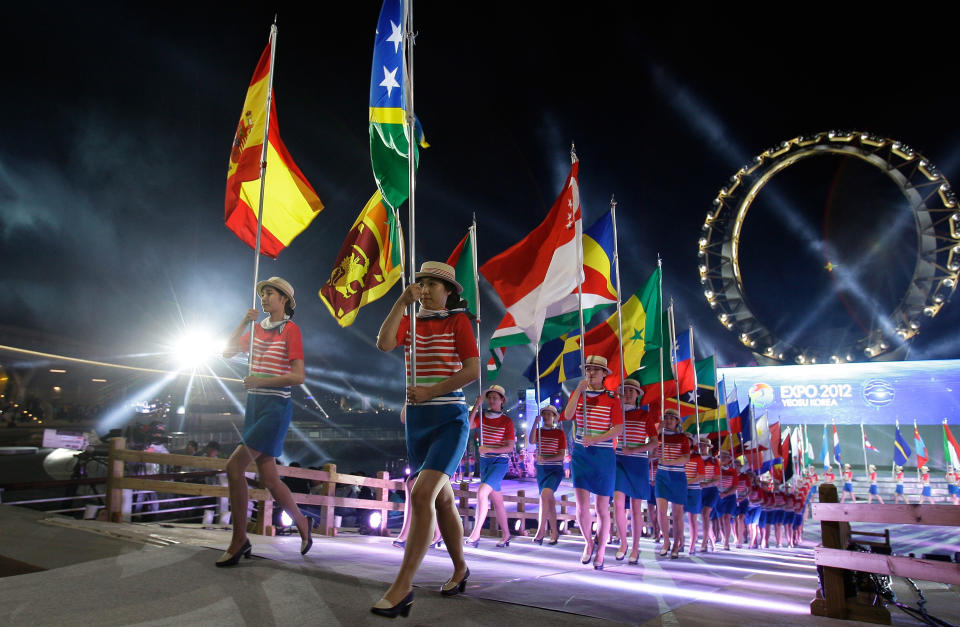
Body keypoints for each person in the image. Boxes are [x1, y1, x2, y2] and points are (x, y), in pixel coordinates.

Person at [373, 261, 480, 617]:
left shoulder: (457, 321)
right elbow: (384, 343)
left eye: (436, 284)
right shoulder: (410, 321)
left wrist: (431, 391)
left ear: (448, 292)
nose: (428, 288)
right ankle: (461, 567)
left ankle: (402, 587)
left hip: (449, 418)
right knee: (443, 502)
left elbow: (472, 370)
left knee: (421, 494)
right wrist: (400, 303)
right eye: (423, 282)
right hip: (417, 421)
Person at [217, 277, 312, 567]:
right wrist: (243, 323)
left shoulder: (290, 330)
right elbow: (227, 352)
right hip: (254, 403)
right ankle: (303, 524)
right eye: (263, 293)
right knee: (269, 478)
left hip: (275, 405)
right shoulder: (257, 330)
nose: (265, 297)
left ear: (284, 299)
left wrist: (262, 380)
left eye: (270, 293)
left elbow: (298, 377)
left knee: (234, 467)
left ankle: (239, 540)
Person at [560, 355, 624, 570]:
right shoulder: (580, 395)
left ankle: (602, 550)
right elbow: (568, 416)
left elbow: (618, 428)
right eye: (588, 369)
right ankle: (588, 543)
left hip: (604, 455)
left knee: (602, 508)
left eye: (596, 369)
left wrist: (595, 439)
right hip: (581, 454)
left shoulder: (612, 398)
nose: (591, 373)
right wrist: (577, 390)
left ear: (605, 374)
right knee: (581, 506)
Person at [613, 378, 658, 564]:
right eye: (625, 390)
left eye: (632, 391)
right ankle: (623, 542)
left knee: (636, 508)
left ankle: (635, 547)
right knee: (617, 504)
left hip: (637, 463)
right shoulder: (614, 415)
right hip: (618, 461)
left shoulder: (644, 415)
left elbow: (655, 442)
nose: (628, 393)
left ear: (638, 395)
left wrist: (635, 450)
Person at [465, 385, 516, 548]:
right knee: (497, 500)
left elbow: (509, 448)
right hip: (485, 462)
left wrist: (490, 449)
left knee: (481, 492)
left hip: (499, 462)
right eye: (490, 397)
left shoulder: (507, 421)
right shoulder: (482, 417)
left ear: (502, 401)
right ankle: (507, 535)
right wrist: (476, 406)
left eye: (496, 397)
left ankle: (476, 533)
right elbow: (467, 425)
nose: (492, 400)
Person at [528, 404, 567, 545]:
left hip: (554, 470)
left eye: (549, 414)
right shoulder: (538, 432)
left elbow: (561, 455)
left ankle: (541, 531)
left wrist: (546, 458)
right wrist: (534, 423)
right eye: (544, 414)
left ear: (554, 417)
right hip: (542, 471)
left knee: (544, 495)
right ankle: (555, 533)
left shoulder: (559, 433)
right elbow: (531, 441)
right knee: (549, 502)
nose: (546, 417)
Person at [656, 409, 690, 559]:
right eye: (666, 417)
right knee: (661, 511)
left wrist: (670, 462)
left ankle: (677, 543)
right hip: (661, 475)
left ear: (677, 421)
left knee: (677, 514)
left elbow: (685, 458)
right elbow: (651, 453)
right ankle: (665, 541)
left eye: (672, 418)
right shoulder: (659, 436)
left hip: (677, 477)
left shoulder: (682, 438)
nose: (669, 420)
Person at [683, 432, 706, 555]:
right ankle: (679, 542)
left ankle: (692, 545)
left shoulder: (697, 457)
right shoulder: (679, 455)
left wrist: (688, 482)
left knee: (692, 519)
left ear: (692, 443)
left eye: (689, 440)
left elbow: (702, 476)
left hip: (694, 490)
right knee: (677, 517)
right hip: (681, 490)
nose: (686, 442)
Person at [698, 439, 720, 551]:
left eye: (704, 445)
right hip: (698, 491)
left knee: (705, 513)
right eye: (700, 445)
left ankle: (704, 542)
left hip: (711, 490)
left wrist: (706, 484)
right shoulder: (695, 459)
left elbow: (717, 478)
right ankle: (711, 538)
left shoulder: (714, 460)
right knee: (704, 517)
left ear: (709, 447)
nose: (702, 447)